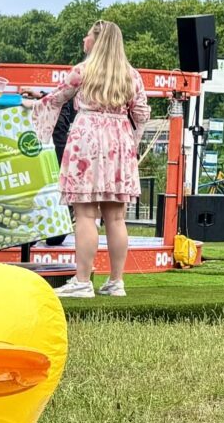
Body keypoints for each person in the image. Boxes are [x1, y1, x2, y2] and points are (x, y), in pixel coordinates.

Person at [39, 20, 152, 298]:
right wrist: (131, 142)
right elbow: (141, 113)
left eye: (88, 35)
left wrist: (35, 104)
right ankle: (116, 281)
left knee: (85, 214)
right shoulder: (131, 76)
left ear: (97, 42)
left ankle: (82, 280)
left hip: (87, 138)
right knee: (116, 217)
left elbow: (56, 99)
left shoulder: (82, 71)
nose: (84, 39)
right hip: (119, 141)